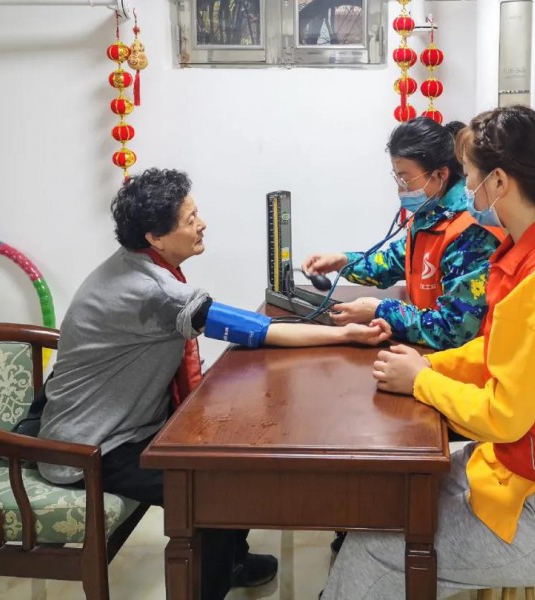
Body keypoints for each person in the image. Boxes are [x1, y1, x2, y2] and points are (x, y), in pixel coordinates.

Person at [320, 105, 535, 599]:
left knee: (376, 547)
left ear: (499, 182)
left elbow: (504, 416)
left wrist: (422, 381)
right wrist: (428, 365)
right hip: (526, 469)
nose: (466, 191)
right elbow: (497, 350)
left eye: (468, 177)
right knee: (390, 501)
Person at [36, 168, 391, 600]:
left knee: (233, 453)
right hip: (91, 447)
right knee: (220, 488)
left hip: (126, 424)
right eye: (190, 220)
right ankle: (211, 583)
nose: (201, 224)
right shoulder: (151, 289)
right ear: (155, 237)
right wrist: (346, 335)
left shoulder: (132, 265)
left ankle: (232, 560)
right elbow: (256, 330)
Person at [302, 117, 504, 351]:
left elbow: (453, 330)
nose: (400, 189)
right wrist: (342, 261)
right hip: (428, 353)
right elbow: (392, 262)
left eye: (406, 179)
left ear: (440, 175)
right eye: (397, 178)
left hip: (465, 361)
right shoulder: (430, 216)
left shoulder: (471, 233)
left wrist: (380, 310)